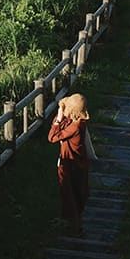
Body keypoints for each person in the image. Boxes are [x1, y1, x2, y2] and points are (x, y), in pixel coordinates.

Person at [47, 92, 92, 236]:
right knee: (77, 192)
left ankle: (74, 227)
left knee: (69, 194)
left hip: (69, 164)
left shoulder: (74, 128)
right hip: (79, 163)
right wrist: (61, 116)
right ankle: (72, 221)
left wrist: (58, 118)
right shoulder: (79, 122)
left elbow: (52, 137)